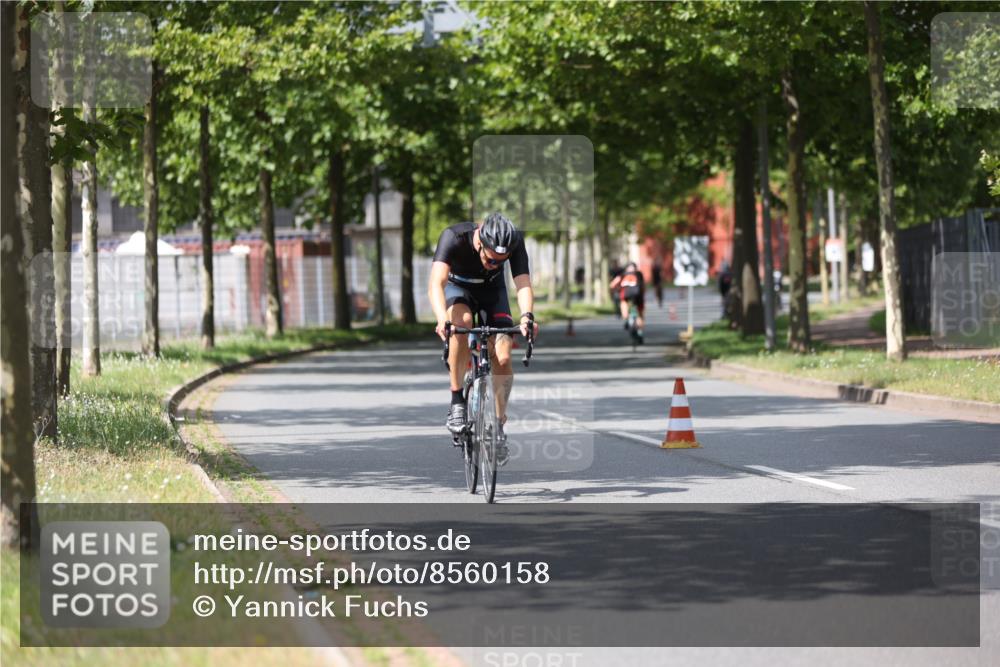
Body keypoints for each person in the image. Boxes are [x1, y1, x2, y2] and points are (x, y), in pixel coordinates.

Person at [428, 213, 538, 464]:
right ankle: (457, 400)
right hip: (458, 288)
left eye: (502, 261)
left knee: (503, 355)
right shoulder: (454, 237)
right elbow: (436, 283)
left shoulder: (514, 242)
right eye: (491, 259)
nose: (495, 264)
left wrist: (527, 317)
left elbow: (522, 283)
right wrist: (440, 319)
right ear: (480, 244)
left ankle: (498, 426)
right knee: (461, 323)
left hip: (492, 291)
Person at [610, 261, 645, 343]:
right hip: (638, 298)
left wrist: (616, 291)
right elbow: (643, 286)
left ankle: (627, 322)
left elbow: (612, 285)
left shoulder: (623, 275)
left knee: (625, 313)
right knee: (640, 316)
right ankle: (640, 333)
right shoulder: (639, 274)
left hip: (626, 298)